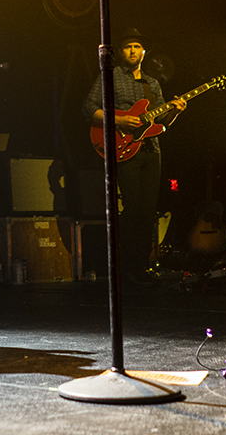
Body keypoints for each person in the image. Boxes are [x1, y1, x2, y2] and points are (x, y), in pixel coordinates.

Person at [83, 28, 185, 281]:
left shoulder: (152, 83)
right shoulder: (110, 76)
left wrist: (175, 110)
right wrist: (119, 120)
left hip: (152, 151)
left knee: (148, 211)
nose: (132, 51)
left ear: (144, 51)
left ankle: (141, 267)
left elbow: (162, 122)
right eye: (128, 46)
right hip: (125, 149)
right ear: (121, 52)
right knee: (133, 208)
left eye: (136, 46)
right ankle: (125, 266)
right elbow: (88, 109)